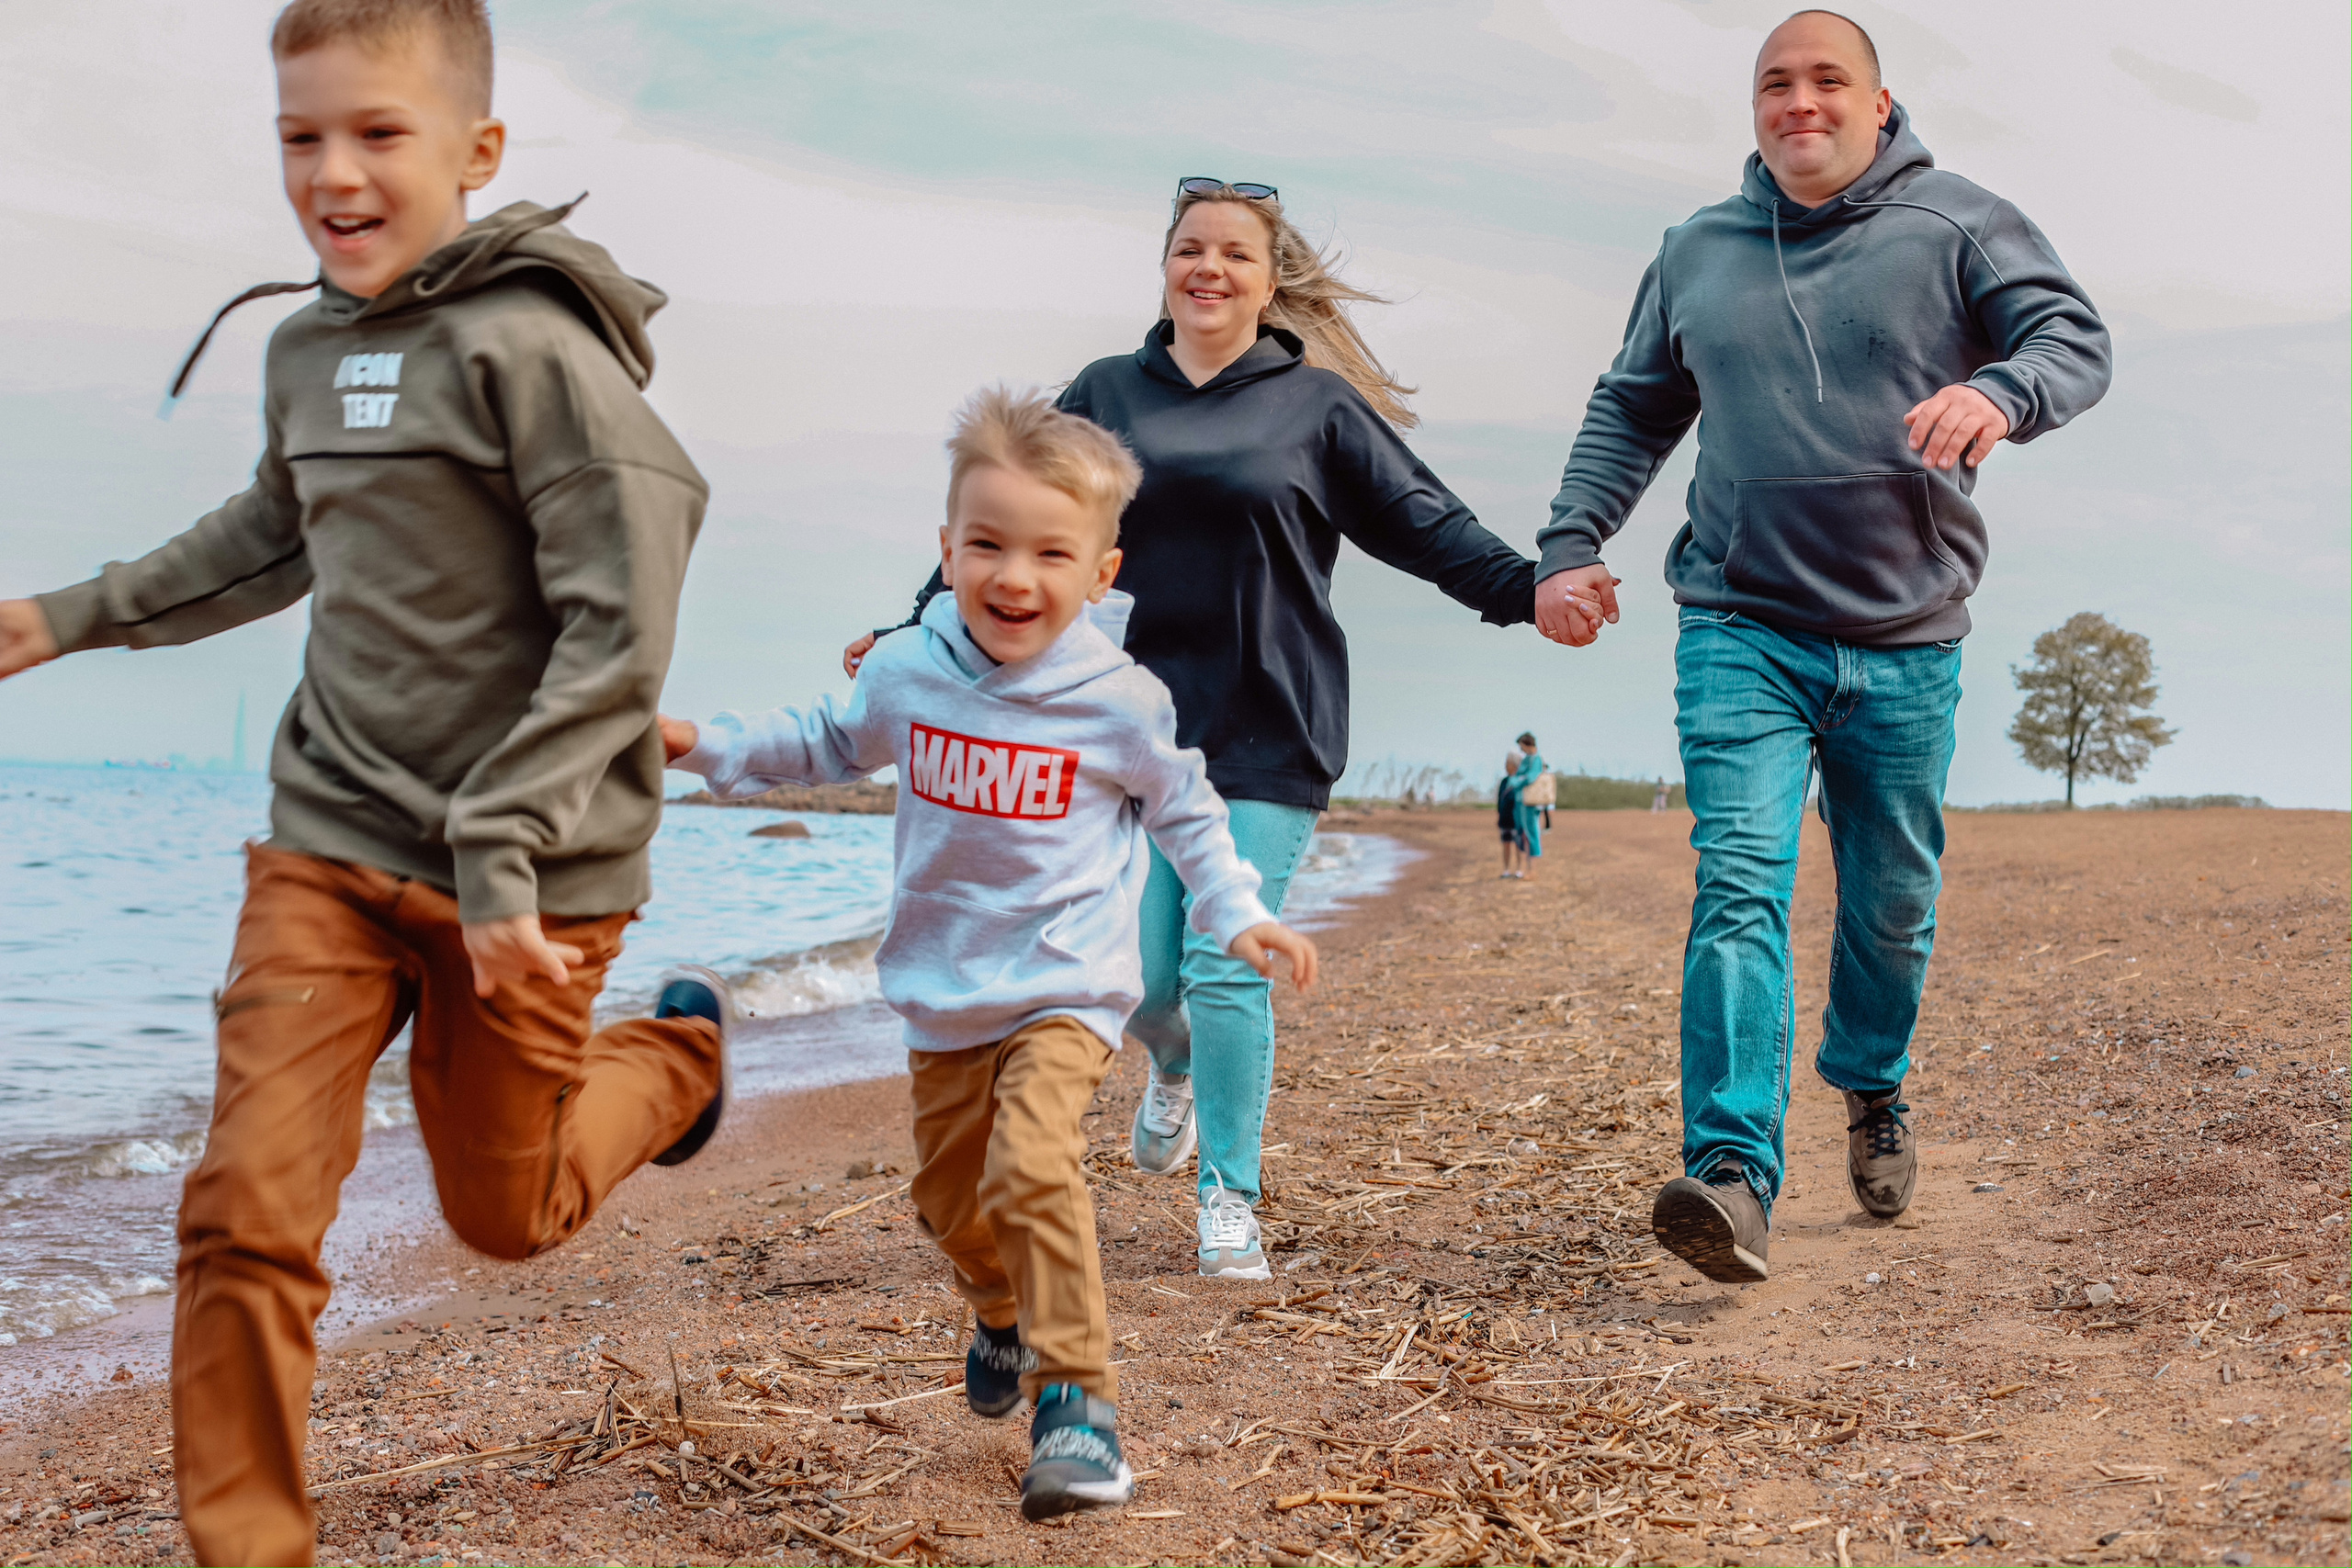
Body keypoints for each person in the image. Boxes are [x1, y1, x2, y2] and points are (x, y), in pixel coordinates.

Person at [0, 3, 730, 1560]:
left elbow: (626, 606)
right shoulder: (306, 350)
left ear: (476, 152)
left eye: (377, 134)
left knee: (506, 1217)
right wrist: (66, 616)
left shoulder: (535, 354)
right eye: (300, 137)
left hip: (530, 879)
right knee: (245, 1211)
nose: (333, 173)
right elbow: (270, 536)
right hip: (328, 847)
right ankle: (250, 1544)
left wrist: (503, 841)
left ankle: (676, 1060)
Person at [843, 181, 1535, 1279]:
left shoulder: (1315, 407)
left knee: (1224, 967)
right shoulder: (1105, 394)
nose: (1208, 269)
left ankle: (1230, 1198)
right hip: (1121, 734)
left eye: (1234, 255)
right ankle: (1170, 1069)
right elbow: (1016, 518)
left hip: (1267, 725)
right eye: (1188, 250)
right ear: (1165, 267)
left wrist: (1533, 592)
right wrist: (915, 628)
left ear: (1271, 282)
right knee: (1147, 983)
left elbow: (1427, 525)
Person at [664, 389, 1318, 1518]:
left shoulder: (1119, 700)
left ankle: (1081, 1411)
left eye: (1050, 553)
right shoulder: (911, 669)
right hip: (941, 989)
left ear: (1101, 572)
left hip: (1066, 985)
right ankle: (1001, 1316)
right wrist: (700, 746)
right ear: (947, 549)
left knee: (1031, 1168)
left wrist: (1237, 912)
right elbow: (825, 739)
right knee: (950, 1206)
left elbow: (1187, 812)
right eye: (988, 546)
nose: (1016, 578)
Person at [1532, 9, 2109, 1283]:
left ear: (1881, 102)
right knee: (1739, 877)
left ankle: (1872, 1080)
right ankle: (1733, 1173)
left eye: (1826, 79)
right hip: (1742, 620)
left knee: (1891, 903)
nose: (1800, 101)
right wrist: (1571, 540)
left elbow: (2074, 340)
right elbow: (1631, 404)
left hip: (1909, 635)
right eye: (1774, 83)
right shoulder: (1700, 249)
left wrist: (1997, 393)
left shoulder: (1955, 222)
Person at [1507, 732, 1547, 879]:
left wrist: (1517, 780)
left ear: (1526, 744)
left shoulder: (1536, 759)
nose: (1521, 749)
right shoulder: (1527, 759)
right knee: (1523, 834)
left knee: (1531, 834)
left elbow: (1530, 777)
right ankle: (1527, 869)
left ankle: (1533, 870)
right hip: (1521, 801)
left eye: (1521, 746)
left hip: (1530, 802)